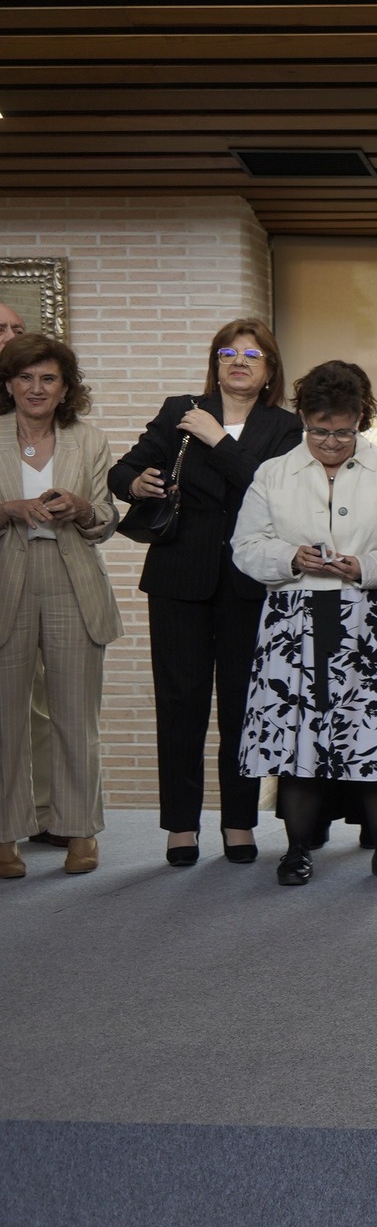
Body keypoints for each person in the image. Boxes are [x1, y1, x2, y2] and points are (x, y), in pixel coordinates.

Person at [231, 361, 377, 886]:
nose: (332, 442)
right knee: (300, 740)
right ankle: (297, 850)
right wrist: (290, 557)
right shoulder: (274, 472)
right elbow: (245, 546)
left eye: (343, 432)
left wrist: (366, 566)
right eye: (320, 431)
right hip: (294, 623)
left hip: (372, 621)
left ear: (360, 420)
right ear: (303, 418)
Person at [111, 318, 301, 867]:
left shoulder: (284, 427)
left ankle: (239, 821)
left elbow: (273, 492)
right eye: (227, 353)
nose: (238, 362)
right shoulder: (182, 410)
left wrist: (218, 440)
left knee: (243, 706)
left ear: (270, 370)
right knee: (180, 704)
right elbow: (123, 470)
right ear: (215, 364)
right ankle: (181, 826)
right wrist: (135, 483)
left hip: (249, 582)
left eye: (252, 354)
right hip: (178, 576)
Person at [0, 336, 121, 880]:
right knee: (6, 720)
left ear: (65, 388)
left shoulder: (88, 440)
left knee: (76, 717)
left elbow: (106, 518)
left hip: (73, 581)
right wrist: (8, 508)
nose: (36, 388)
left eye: (48, 378)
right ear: (9, 385)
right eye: (25, 378)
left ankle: (80, 830)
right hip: (7, 576)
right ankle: (5, 835)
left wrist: (82, 508)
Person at [0, 304, 62, 852]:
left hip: (43, 574)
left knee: (39, 704)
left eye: (16, 329)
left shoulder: (54, 422)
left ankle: (41, 814)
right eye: (0, 329)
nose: (10, 335)